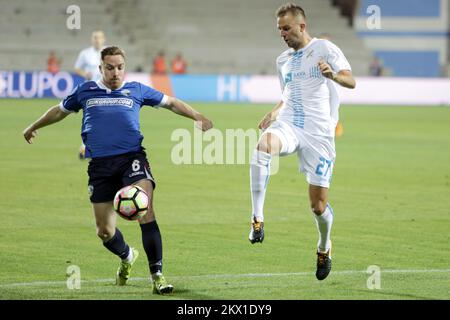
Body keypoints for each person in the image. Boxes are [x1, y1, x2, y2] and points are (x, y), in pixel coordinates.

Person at [23, 46, 213, 294]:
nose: (116, 72)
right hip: (100, 166)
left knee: (145, 209)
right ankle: (126, 255)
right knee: (104, 231)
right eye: (110, 67)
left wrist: (197, 116)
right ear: (100, 68)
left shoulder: (136, 90)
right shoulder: (86, 91)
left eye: (120, 67)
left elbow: (171, 103)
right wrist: (33, 126)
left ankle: (157, 275)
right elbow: (60, 111)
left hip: (132, 158)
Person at [248, 3, 355, 281]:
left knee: (317, 207)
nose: (282, 33)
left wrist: (332, 75)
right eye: (279, 29)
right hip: (290, 125)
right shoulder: (282, 60)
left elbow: (350, 80)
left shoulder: (325, 49)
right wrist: (274, 111)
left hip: (319, 134)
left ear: (301, 26)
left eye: (286, 28)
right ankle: (257, 219)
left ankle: (324, 246)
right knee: (262, 146)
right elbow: (288, 94)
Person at [74, 30, 106, 160]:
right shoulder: (85, 53)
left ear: (104, 39)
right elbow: (77, 68)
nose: (97, 40)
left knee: (99, 119)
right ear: (91, 39)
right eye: (94, 37)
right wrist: (84, 74)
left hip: (105, 90)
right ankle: (86, 147)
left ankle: (86, 147)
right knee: (93, 119)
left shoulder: (108, 52)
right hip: (90, 90)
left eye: (99, 38)